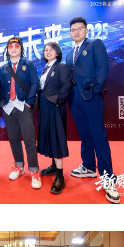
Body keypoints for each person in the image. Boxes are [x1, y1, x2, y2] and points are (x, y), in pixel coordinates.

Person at [66, 16, 119, 203]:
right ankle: (88, 166)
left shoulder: (95, 44)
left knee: (98, 136)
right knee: (85, 134)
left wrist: (96, 91)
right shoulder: (69, 53)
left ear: (86, 30)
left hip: (92, 97)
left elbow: (103, 68)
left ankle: (108, 179)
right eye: (73, 30)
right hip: (74, 98)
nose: (76, 32)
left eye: (79, 29)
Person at [0, 37, 41, 189]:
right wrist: (2, 103)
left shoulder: (28, 64)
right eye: (11, 46)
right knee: (13, 139)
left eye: (17, 46)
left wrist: (29, 102)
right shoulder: (3, 68)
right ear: (7, 49)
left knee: (29, 139)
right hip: (8, 107)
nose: (13, 49)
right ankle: (19, 165)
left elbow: (35, 83)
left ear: (21, 48)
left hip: (23, 106)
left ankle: (34, 171)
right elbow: (0, 87)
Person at [37, 42, 72, 194]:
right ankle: (53, 167)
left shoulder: (61, 67)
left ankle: (60, 177)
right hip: (45, 107)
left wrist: (58, 101)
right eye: (46, 50)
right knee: (50, 137)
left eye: (51, 49)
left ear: (57, 52)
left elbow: (66, 86)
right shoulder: (45, 68)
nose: (48, 52)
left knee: (57, 139)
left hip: (55, 107)